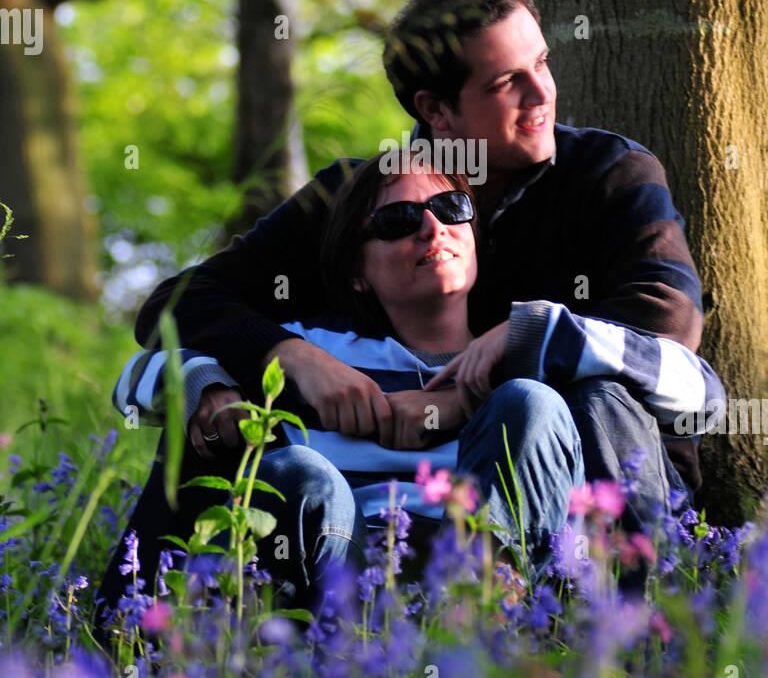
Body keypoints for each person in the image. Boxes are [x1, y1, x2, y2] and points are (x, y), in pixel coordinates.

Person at [125, 0, 706, 568]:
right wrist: (288, 356)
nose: (542, 94)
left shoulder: (608, 175)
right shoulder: (356, 202)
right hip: (374, 498)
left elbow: (667, 319)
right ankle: (144, 627)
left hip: (582, 475)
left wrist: (509, 351)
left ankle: (624, 623)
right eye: (508, 82)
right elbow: (176, 304)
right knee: (211, 405)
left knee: (591, 394)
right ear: (435, 109)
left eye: (543, 63)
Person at [97, 159, 725, 617]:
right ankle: (277, 640)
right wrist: (207, 385)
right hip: (339, 563)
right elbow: (135, 382)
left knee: (528, 405)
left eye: (451, 210)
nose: (432, 229)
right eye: (398, 221)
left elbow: (702, 394)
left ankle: (491, 610)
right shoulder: (318, 353)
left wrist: (532, 333)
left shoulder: (538, 351)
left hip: (490, 562)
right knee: (300, 473)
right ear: (357, 273)